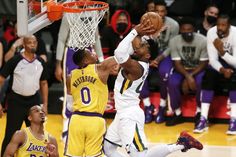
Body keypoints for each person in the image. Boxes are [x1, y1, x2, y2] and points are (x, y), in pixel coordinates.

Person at [103, 19, 203, 157]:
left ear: (148, 55)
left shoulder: (137, 67)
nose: (139, 45)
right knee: (108, 149)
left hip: (129, 116)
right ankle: (182, 143)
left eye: (143, 45)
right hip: (122, 113)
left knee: (140, 155)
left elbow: (119, 53)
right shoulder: (138, 60)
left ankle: (181, 144)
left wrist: (135, 31)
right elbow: (129, 48)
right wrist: (148, 35)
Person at [55, 13, 104, 142]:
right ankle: (67, 126)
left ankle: (91, 124)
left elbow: (96, 38)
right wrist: (58, 64)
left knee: (91, 86)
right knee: (70, 89)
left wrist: (101, 59)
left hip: (88, 51)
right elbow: (61, 39)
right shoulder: (68, 14)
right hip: (71, 51)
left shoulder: (93, 13)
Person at [0, 35, 48, 156]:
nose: (32, 44)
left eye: (34, 42)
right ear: (24, 45)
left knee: (38, 134)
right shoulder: (15, 60)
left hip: (34, 101)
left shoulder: (41, 62)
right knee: (11, 134)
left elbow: (44, 83)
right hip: (16, 101)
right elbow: (1, 79)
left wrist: (45, 104)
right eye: (29, 42)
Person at [194, 15, 236, 134]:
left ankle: (234, 119)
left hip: (233, 63)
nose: (220, 28)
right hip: (219, 64)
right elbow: (212, 59)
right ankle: (203, 118)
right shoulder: (212, 33)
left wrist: (222, 52)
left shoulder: (235, 34)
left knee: (235, 79)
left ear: (229, 26)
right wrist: (223, 70)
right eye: (219, 25)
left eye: (223, 25)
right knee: (208, 76)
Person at [166, 17, 208, 126]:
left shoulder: (203, 40)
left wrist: (190, 76)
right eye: (184, 29)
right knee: (172, 82)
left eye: (189, 29)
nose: (187, 32)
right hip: (181, 70)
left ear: (193, 30)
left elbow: (204, 63)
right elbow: (177, 63)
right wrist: (187, 77)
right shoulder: (174, 41)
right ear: (180, 30)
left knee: (201, 82)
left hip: (197, 69)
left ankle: (199, 112)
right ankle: (177, 113)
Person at [142, 0, 179, 123]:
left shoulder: (173, 25)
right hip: (148, 54)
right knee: (139, 72)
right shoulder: (145, 23)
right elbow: (142, 44)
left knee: (164, 73)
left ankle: (162, 106)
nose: (160, 13)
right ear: (153, 11)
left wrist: (159, 58)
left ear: (166, 12)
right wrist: (149, 58)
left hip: (165, 55)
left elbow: (172, 46)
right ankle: (148, 106)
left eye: (162, 11)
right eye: (157, 11)